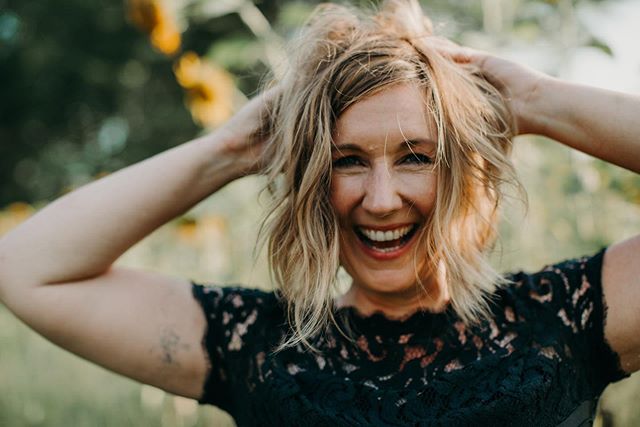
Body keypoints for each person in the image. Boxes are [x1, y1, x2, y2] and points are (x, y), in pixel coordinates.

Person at [0, 0, 638, 425]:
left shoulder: (568, 318)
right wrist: (231, 148)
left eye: (415, 156)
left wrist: (537, 100)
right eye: (346, 161)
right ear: (305, 179)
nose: (381, 198)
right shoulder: (256, 345)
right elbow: (25, 268)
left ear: (459, 170)